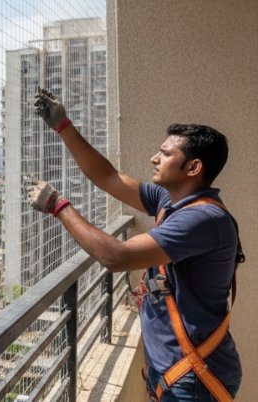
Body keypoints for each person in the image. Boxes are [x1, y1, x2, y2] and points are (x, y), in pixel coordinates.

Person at [27, 88, 242, 401]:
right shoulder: (172, 201)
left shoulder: (203, 220)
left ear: (193, 168)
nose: (154, 158)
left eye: (166, 154)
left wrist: (58, 205)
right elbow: (109, 177)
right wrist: (63, 126)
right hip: (176, 371)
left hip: (193, 380)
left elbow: (116, 256)